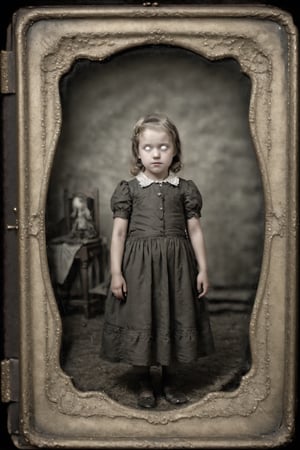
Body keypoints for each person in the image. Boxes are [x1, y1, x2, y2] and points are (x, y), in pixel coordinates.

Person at [101, 113, 214, 408]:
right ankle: (143, 382)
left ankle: (170, 379)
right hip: (138, 269)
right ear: (137, 152)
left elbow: (195, 230)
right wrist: (116, 273)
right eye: (148, 147)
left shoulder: (185, 189)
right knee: (142, 316)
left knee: (174, 315)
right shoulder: (129, 190)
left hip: (177, 267)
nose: (155, 153)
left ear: (175, 149)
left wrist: (202, 269)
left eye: (163, 147)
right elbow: (118, 234)